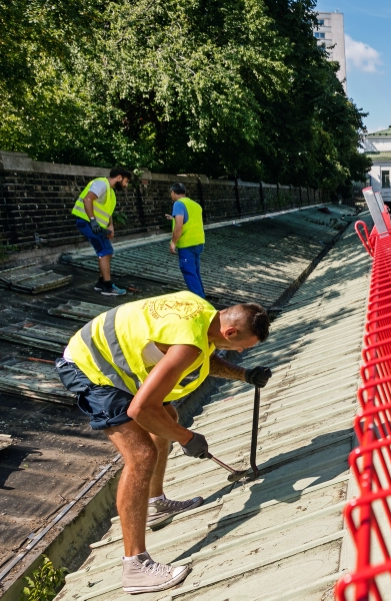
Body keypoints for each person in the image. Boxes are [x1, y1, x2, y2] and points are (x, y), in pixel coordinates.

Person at [54, 291, 272, 594]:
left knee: (166, 412)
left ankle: (155, 504)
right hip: (88, 367)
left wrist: (245, 375)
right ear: (231, 332)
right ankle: (135, 566)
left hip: (98, 353)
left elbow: (206, 358)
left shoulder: (202, 314)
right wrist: (188, 438)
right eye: (239, 347)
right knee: (141, 455)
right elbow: (140, 409)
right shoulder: (189, 343)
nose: (235, 352)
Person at [72, 168, 133, 296]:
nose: (126, 185)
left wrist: (111, 225)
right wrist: (93, 221)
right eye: (126, 181)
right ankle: (107, 286)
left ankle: (101, 282)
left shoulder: (111, 193)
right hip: (87, 222)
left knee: (108, 251)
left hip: (97, 226)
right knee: (104, 252)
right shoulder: (101, 184)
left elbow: (108, 213)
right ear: (119, 178)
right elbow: (87, 200)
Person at [166, 183, 206, 298]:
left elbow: (179, 225)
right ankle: (202, 295)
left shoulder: (178, 204)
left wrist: (173, 242)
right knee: (195, 272)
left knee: (189, 272)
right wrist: (172, 217)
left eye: (171, 193)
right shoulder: (195, 205)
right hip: (198, 242)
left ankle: (200, 300)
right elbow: (189, 220)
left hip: (187, 244)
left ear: (173, 192)